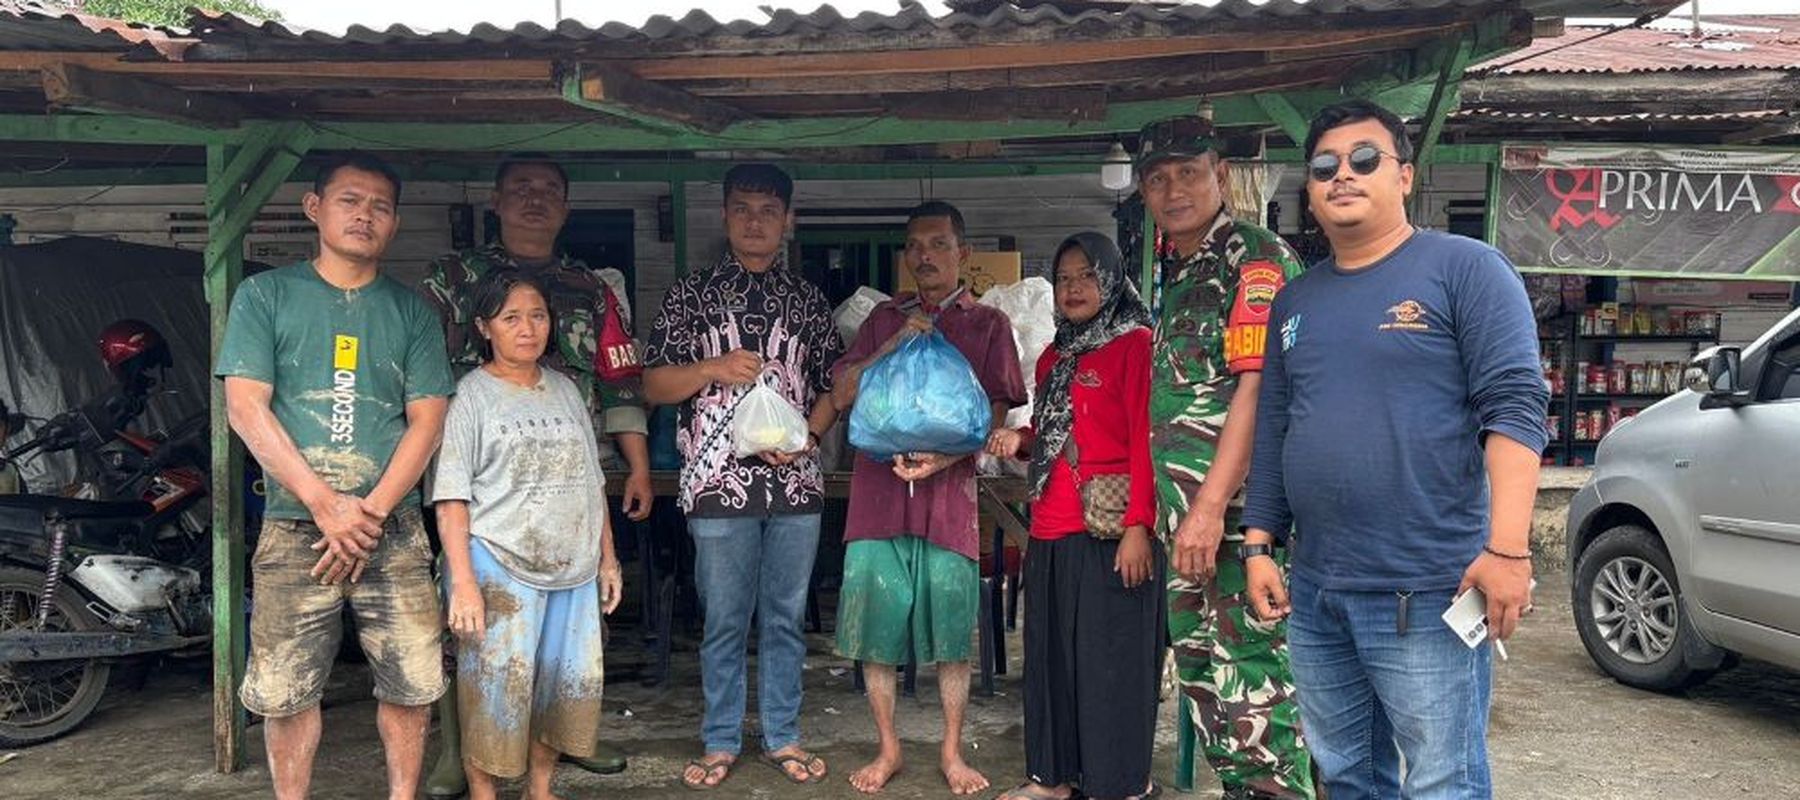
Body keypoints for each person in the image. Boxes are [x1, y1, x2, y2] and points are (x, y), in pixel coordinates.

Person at [1240, 99, 1549, 799]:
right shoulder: (1294, 302)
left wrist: (1507, 551)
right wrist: (1260, 543)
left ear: (1405, 175)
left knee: (1442, 781)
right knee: (1347, 775)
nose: (1341, 175)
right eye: (1324, 167)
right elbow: (1277, 425)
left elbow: (1516, 409)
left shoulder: (1467, 270)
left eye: (1363, 159)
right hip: (1318, 592)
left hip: (1431, 588)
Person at [217, 152, 453, 800]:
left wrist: (369, 511)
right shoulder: (265, 296)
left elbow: (427, 422)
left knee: (410, 685)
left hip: (394, 529)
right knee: (287, 691)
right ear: (314, 208)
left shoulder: (411, 313)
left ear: (396, 222)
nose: (364, 215)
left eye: (379, 205)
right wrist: (324, 504)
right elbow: (245, 406)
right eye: (350, 200)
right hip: (297, 529)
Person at [419, 154, 650, 793]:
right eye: (520, 189)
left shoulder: (590, 287)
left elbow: (619, 376)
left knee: (558, 661)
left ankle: (558, 749)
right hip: (477, 474)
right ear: (495, 200)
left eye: (549, 191)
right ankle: (457, 751)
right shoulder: (453, 277)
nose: (534, 200)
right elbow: (418, 376)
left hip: (566, 475)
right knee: (480, 648)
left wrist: (634, 465)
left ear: (567, 207)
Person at [642, 163, 844, 790]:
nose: (755, 221)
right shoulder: (691, 294)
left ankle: (782, 733)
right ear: (725, 216)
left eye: (768, 210)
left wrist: (807, 437)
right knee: (725, 617)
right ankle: (722, 738)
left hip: (796, 485)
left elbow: (838, 386)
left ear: (788, 219)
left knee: (784, 616)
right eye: (742, 208)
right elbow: (653, 383)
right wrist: (711, 367)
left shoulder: (807, 299)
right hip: (716, 486)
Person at [1135, 114, 1315, 800]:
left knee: (1255, 691)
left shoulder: (1253, 260)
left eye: (1188, 172)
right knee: (1208, 688)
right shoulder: (1181, 270)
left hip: (1239, 527)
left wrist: (1210, 510)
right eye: (1158, 178)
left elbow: (1259, 387)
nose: (1173, 189)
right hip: (1189, 530)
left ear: (1220, 174)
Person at [828, 201, 1025, 796]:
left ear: (963, 254)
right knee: (873, 630)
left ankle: (950, 749)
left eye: (938, 244)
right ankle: (888, 748)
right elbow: (841, 393)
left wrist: (946, 458)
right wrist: (890, 345)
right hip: (877, 497)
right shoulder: (880, 318)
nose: (925, 256)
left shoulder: (987, 325)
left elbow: (994, 411)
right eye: (914, 245)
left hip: (950, 499)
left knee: (950, 636)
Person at [432, 271, 624, 800]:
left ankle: (541, 788)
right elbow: (451, 496)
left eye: (537, 315)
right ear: (483, 327)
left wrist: (608, 559)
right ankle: (485, 793)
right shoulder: (469, 396)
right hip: (498, 560)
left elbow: (593, 481)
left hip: (574, 565)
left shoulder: (565, 390)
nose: (528, 328)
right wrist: (463, 582)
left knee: (562, 688)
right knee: (495, 687)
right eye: (511, 317)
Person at [986, 232, 1162, 800]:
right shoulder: (1057, 353)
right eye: (1063, 278)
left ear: (1111, 279)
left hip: (1112, 531)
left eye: (1087, 275)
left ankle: (1119, 783)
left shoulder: (1136, 345)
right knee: (1051, 661)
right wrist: (1021, 437)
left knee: (1112, 666)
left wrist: (1140, 525)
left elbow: (1148, 440)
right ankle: (1053, 777)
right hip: (1052, 525)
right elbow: (1057, 431)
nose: (1074, 288)